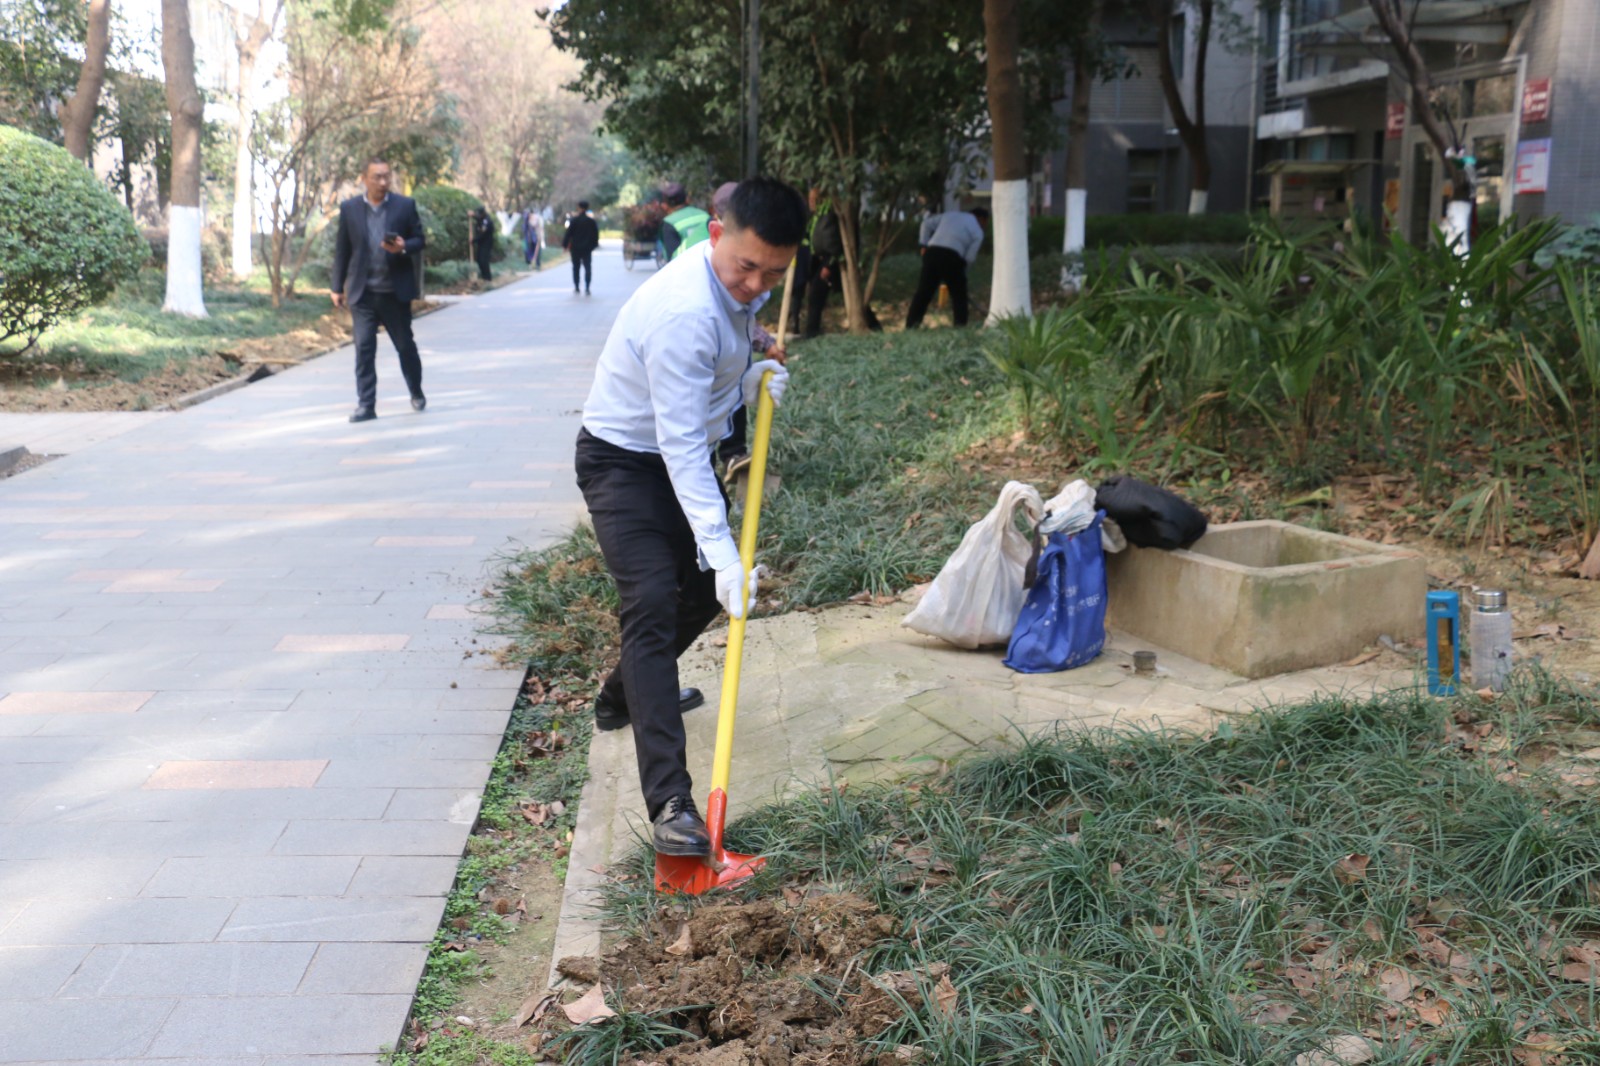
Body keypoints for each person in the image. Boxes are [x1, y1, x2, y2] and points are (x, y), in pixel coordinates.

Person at [575, 177, 807, 857]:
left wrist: (748, 374)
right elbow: (678, 445)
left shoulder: (739, 286)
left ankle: (627, 693)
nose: (756, 284)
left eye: (773, 273)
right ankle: (672, 805)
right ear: (714, 234)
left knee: (706, 594)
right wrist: (724, 550)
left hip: (676, 459)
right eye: (746, 267)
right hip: (623, 463)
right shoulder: (683, 313)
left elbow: (723, 352)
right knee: (651, 601)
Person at [329, 157, 426, 423]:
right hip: (362, 293)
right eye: (377, 177)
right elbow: (342, 249)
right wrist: (336, 287)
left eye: (386, 176)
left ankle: (416, 391)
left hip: (394, 292)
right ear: (364, 179)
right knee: (364, 349)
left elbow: (420, 239)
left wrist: (404, 246)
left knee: (405, 346)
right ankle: (366, 405)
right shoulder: (349, 209)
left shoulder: (404, 205)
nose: (383, 182)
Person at [709, 181, 780, 471]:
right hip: (706, 339)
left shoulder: (748, 247)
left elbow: (743, 314)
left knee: (732, 387)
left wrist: (765, 343)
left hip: (727, 339)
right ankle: (721, 455)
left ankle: (731, 454)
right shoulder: (720, 255)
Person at [803, 190, 881, 337]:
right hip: (820, 260)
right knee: (822, 296)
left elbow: (833, 241)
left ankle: (812, 333)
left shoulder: (830, 215)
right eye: (810, 199)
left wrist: (828, 265)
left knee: (819, 295)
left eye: (814, 199)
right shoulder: (817, 216)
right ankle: (812, 332)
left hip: (831, 262)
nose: (811, 202)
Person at [905, 205, 988, 329]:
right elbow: (970, 258)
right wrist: (962, 272)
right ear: (982, 219)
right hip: (953, 257)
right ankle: (960, 327)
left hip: (932, 252)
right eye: (985, 223)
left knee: (923, 292)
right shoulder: (978, 231)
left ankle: (911, 325)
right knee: (959, 296)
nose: (984, 226)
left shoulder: (950, 215)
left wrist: (923, 244)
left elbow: (926, 224)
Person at [658, 181, 712, 262]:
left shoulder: (669, 222)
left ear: (665, 205)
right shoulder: (705, 215)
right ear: (687, 199)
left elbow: (672, 258)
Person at [563, 200, 599, 294]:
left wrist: (565, 245)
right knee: (587, 267)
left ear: (579, 208)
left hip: (575, 248)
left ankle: (577, 286)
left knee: (576, 267)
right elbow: (595, 236)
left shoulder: (574, 220)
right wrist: (593, 246)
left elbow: (568, 234)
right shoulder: (591, 221)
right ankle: (587, 287)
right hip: (587, 248)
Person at [471, 206, 496, 282]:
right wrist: (472, 215)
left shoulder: (487, 221)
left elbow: (483, 234)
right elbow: (478, 219)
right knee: (479, 260)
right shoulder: (482, 218)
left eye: (478, 214)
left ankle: (487, 278)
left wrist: (473, 240)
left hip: (486, 243)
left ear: (482, 214)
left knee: (483, 260)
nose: (478, 215)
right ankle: (484, 277)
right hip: (481, 243)